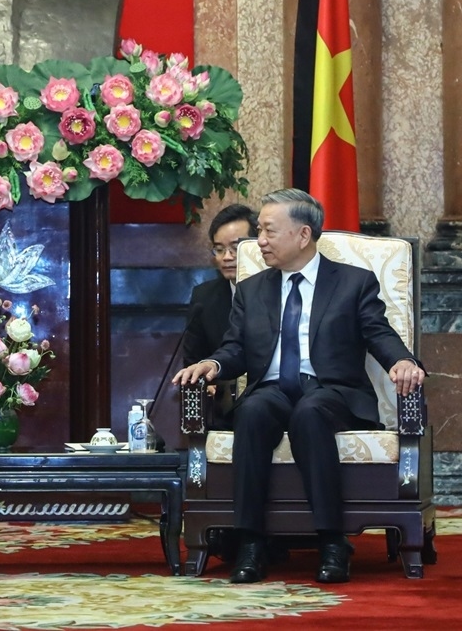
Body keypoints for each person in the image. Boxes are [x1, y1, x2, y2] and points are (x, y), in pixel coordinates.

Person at [175, 189, 425, 584]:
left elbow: (378, 333)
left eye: (269, 231)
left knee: (310, 413)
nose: (260, 242)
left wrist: (404, 362)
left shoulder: (353, 283)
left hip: (332, 390)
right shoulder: (254, 289)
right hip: (273, 388)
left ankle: (332, 541)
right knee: (253, 411)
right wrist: (213, 362)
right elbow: (235, 348)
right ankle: (252, 542)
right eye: (260, 231)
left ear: (303, 234)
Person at [172, 203, 259, 425]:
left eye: (235, 248)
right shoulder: (204, 297)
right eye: (219, 249)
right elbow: (193, 359)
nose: (226, 257)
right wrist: (203, 383)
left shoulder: (279, 290)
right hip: (223, 407)